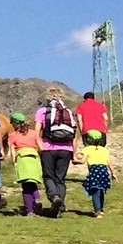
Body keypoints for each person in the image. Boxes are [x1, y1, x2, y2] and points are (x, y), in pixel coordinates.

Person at [36, 86, 77, 218]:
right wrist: (73, 152)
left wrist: (39, 146)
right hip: (66, 149)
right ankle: (60, 206)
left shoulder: (42, 112)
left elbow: (37, 132)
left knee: (49, 176)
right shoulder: (68, 112)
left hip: (48, 148)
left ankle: (54, 198)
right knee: (61, 179)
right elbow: (75, 134)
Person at [5, 112, 43, 217]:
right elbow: (41, 147)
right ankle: (37, 199)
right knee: (33, 182)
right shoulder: (34, 133)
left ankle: (29, 211)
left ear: (14, 124)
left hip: (22, 159)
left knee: (26, 186)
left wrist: (13, 162)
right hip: (34, 158)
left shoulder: (13, 136)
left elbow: (12, 151)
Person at [76, 129, 117, 217]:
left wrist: (75, 161)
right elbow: (109, 162)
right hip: (104, 171)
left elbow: (82, 161)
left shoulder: (87, 149)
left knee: (95, 190)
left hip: (94, 171)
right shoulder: (104, 150)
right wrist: (113, 173)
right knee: (101, 190)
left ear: (88, 139)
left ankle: (97, 211)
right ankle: (101, 209)